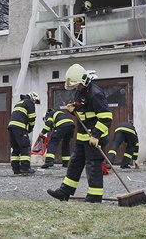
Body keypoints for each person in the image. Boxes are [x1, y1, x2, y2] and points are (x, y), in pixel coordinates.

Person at [47, 63, 112, 203]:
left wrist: (96, 135)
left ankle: (94, 197)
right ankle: (65, 192)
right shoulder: (80, 91)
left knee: (93, 165)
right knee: (75, 163)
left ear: (84, 80)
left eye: (77, 84)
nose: (76, 87)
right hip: (83, 137)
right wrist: (74, 109)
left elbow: (106, 117)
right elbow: (84, 110)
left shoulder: (96, 93)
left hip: (95, 138)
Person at [7, 92, 40, 175]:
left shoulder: (19, 103)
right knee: (25, 146)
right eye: (35, 101)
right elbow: (32, 117)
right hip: (20, 126)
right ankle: (25, 168)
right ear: (32, 98)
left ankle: (16, 168)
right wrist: (31, 128)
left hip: (12, 126)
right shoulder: (29, 102)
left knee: (16, 148)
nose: (34, 103)